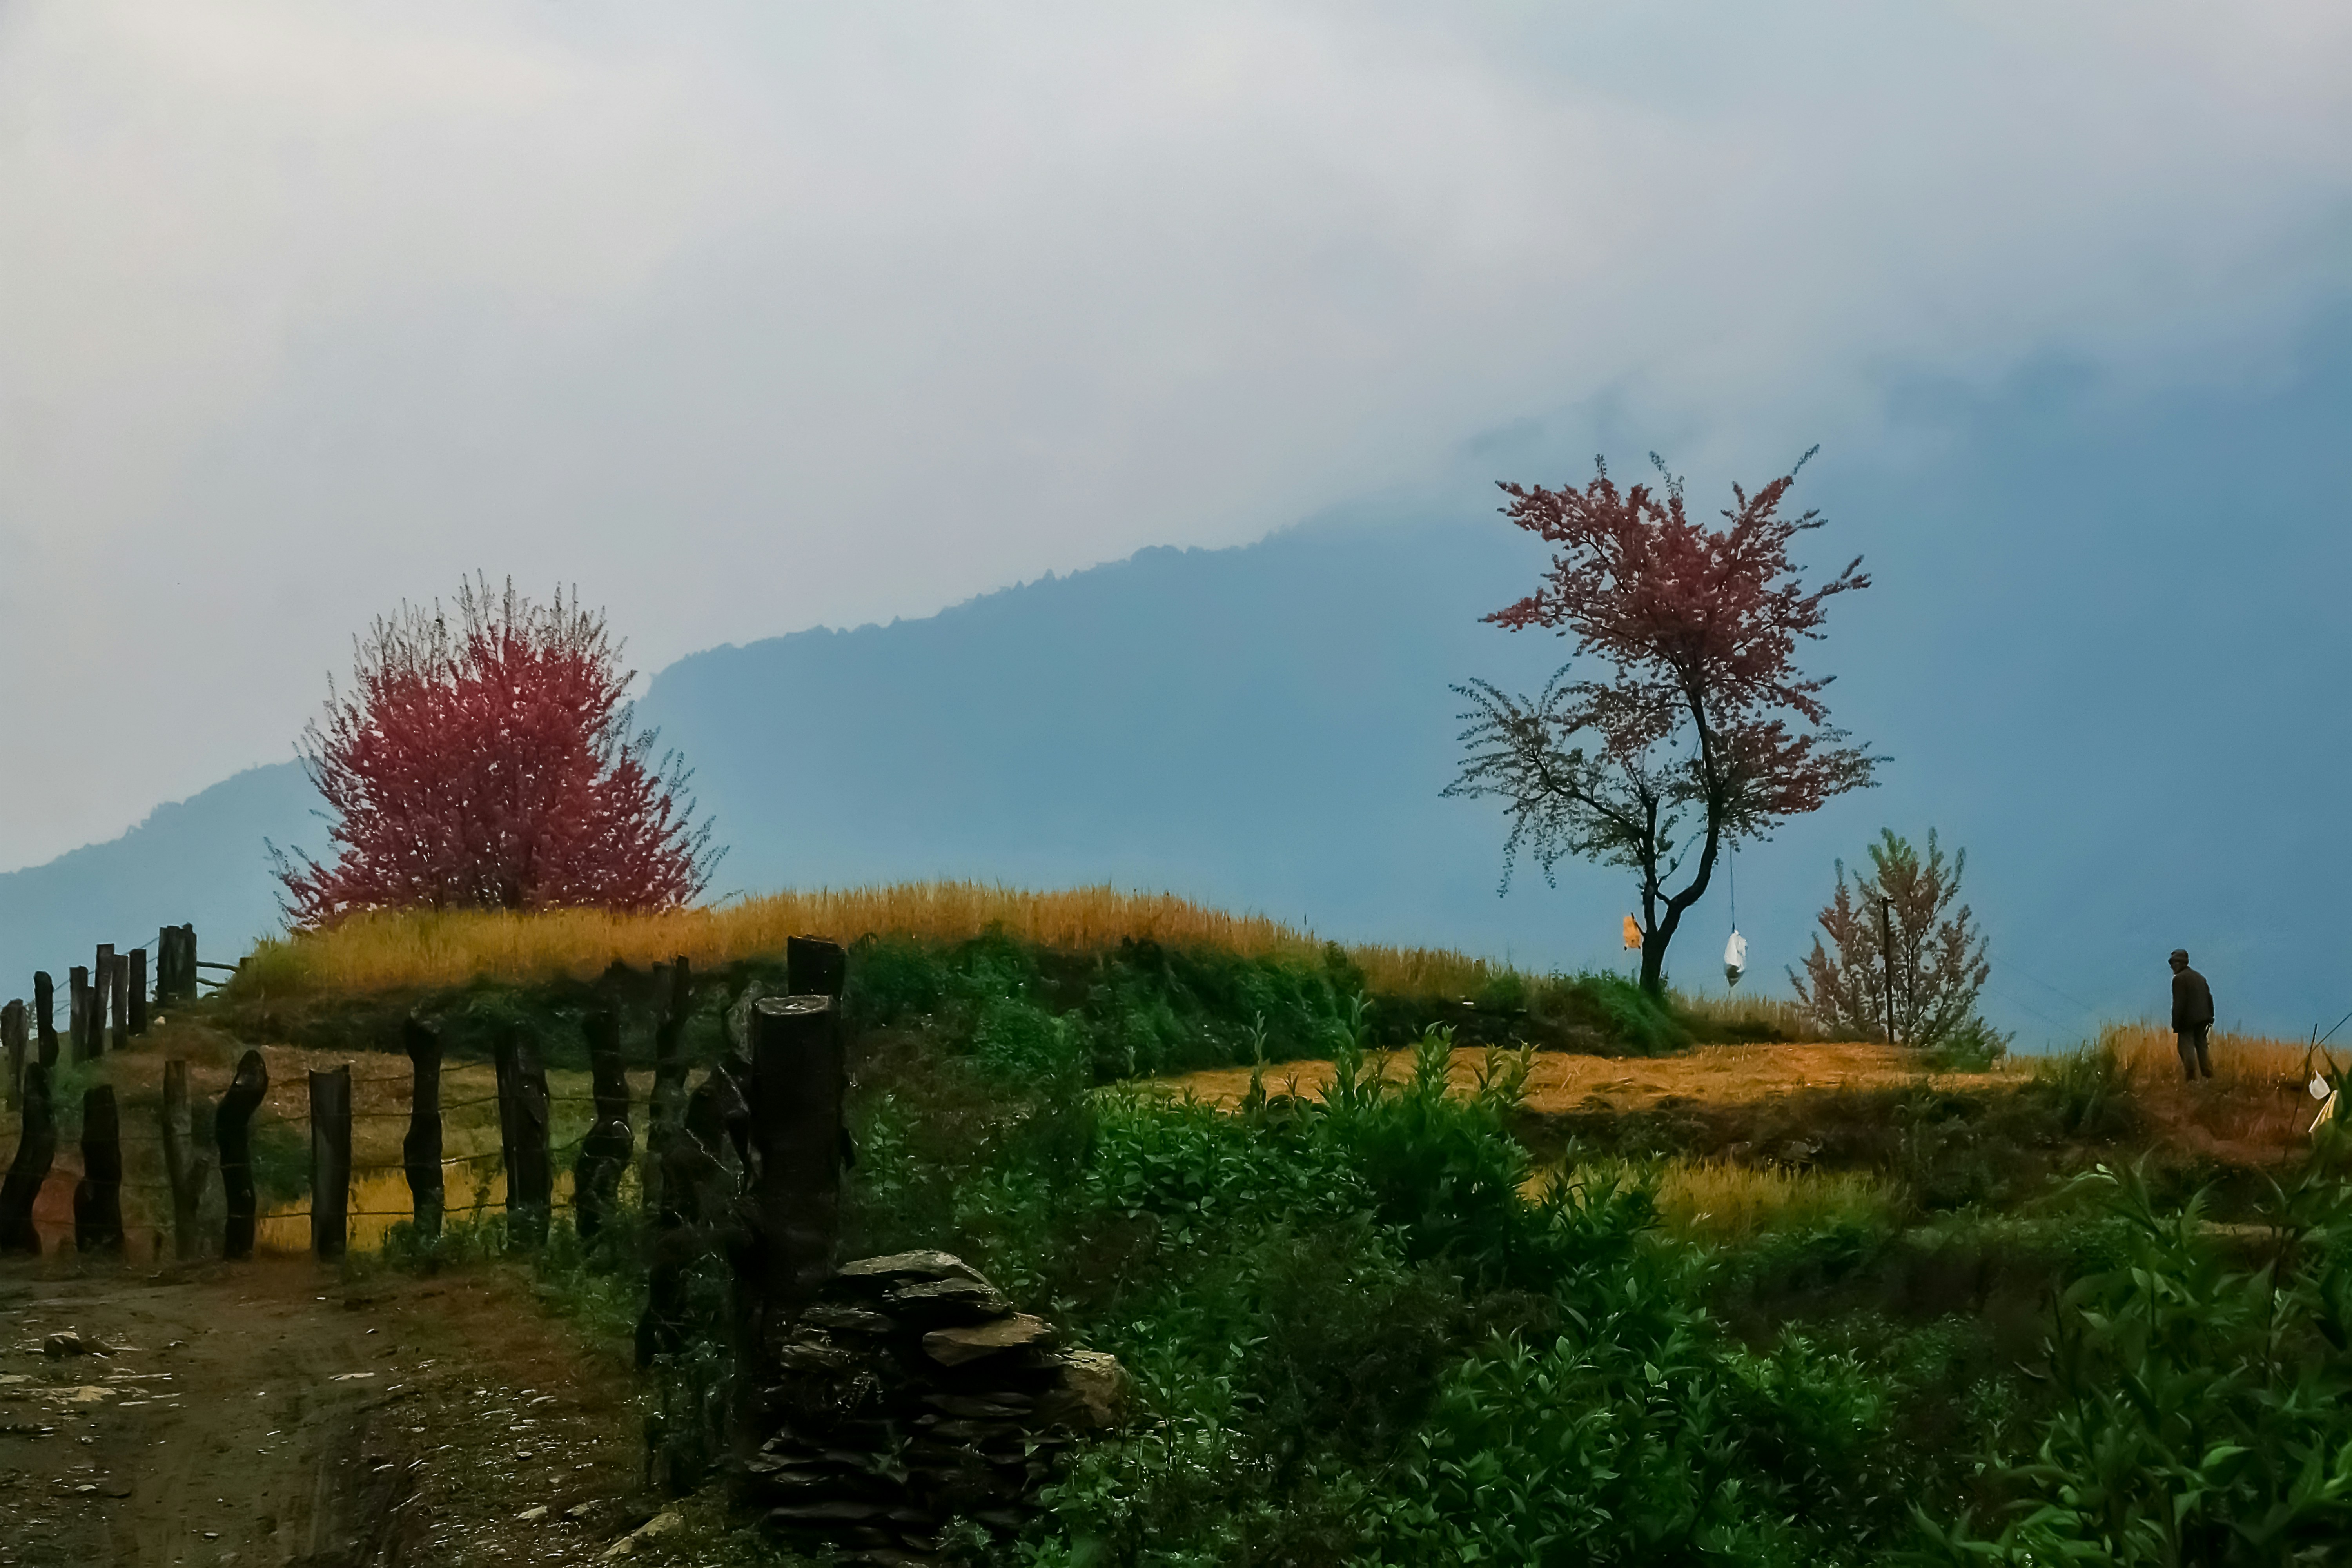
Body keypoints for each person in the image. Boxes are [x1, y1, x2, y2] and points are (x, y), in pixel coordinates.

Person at [2169, 948, 2214, 1081]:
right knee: (2202, 1047)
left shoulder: (2179, 979)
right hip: (2203, 1019)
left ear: (2181, 963)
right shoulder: (2200, 977)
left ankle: (2191, 1078)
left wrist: (2176, 1024)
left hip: (2187, 1021)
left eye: (2173, 963)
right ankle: (2208, 1076)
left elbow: (2179, 1003)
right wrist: (2210, 1016)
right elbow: (2209, 998)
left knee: (2186, 1047)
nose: (2172, 966)